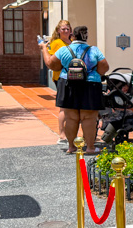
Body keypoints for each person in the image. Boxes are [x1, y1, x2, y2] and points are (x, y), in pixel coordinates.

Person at [39, 26, 109, 155]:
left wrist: (44, 48)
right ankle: (90, 147)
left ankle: (71, 147)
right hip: (91, 85)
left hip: (68, 84)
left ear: (73, 36)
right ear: (86, 37)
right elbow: (104, 67)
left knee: (71, 118)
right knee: (89, 117)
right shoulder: (94, 50)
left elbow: (51, 64)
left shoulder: (64, 50)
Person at [47, 19, 72, 145]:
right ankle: (62, 135)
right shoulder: (56, 43)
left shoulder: (72, 42)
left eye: (67, 29)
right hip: (61, 77)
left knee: (70, 107)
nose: (66, 31)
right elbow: (51, 60)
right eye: (63, 29)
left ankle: (69, 133)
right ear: (58, 30)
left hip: (73, 77)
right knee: (64, 107)